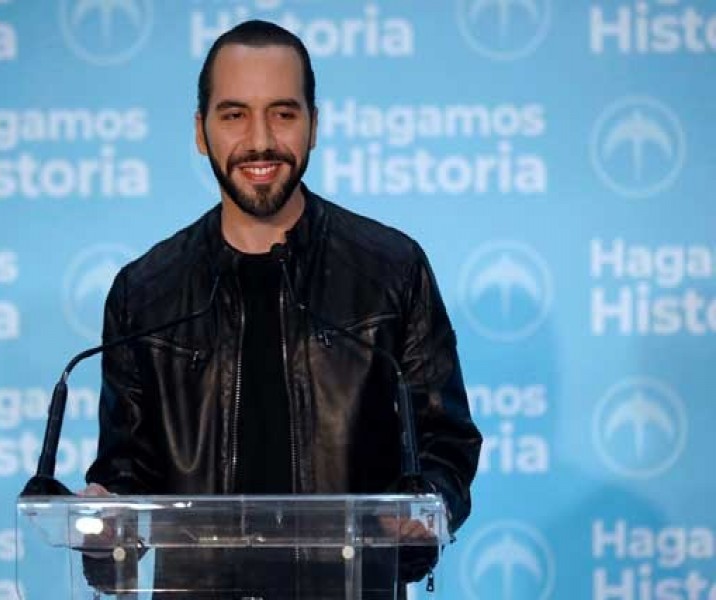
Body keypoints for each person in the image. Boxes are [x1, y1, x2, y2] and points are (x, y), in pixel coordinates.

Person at [81, 19, 482, 598]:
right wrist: (106, 514)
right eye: (234, 114)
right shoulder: (145, 293)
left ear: (314, 125)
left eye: (284, 113)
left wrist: (424, 509)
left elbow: (445, 442)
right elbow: (126, 472)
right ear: (201, 131)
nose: (260, 140)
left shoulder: (391, 271)